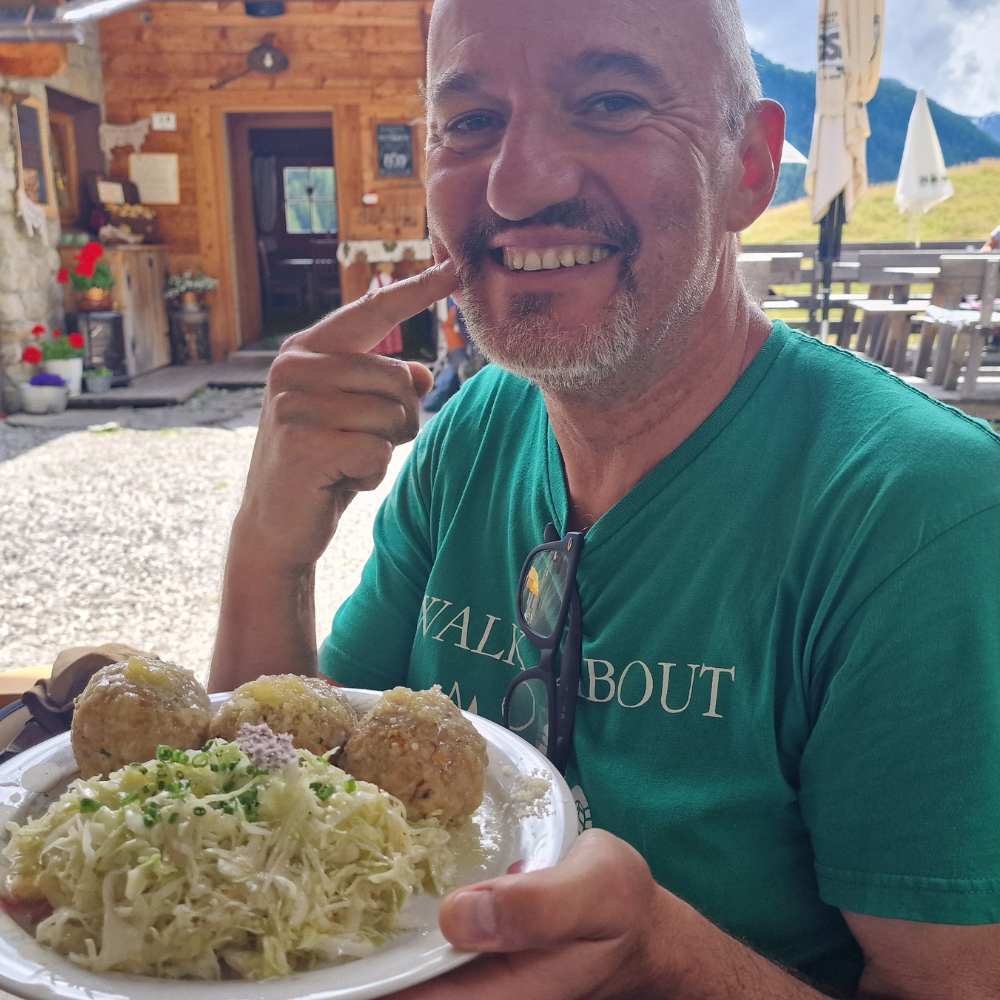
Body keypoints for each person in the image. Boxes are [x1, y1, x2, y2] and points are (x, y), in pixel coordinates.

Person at [209, 0, 1000, 995]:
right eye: (470, 122)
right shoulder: (473, 430)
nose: (517, 181)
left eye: (611, 102)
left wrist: (661, 955)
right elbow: (280, 794)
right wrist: (271, 549)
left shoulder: (920, 513)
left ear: (749, 166)